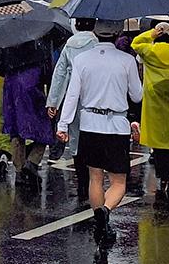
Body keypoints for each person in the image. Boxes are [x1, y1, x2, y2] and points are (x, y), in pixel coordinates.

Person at [56, 20, 142, 250]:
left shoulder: (81, 60)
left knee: (95, 177)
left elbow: (72, 94)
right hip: (116, 125)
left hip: (89, 124)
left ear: (95, 32)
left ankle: (99, 219)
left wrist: (63, 125)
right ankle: (106, 211)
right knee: (118, 181)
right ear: (118, 33)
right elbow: (136, 95)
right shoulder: (126, 60)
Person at [132, 23, 169, 198]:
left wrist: (151, 34)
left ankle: (162, 175)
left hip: (154, 102)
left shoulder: (150, 51)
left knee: (158, 142)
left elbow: (135, 43)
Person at [46, 24, 98, 195]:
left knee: (74, 139)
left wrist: (53, 101)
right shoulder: (96, 44)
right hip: (93, 95)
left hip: (71, 95)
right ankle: (92, 183)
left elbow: (59, 73)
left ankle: (82, 184)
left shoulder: (69, 45)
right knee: (92, 137)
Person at [1, 57, 52, 185]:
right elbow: (48, 73)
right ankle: (32, 161)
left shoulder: (6, 42)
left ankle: (19, 170)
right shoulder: (37, 44)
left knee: (16, 128)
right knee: (45, 128)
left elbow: (0, 69)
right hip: (32, 81)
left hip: (11, 84)